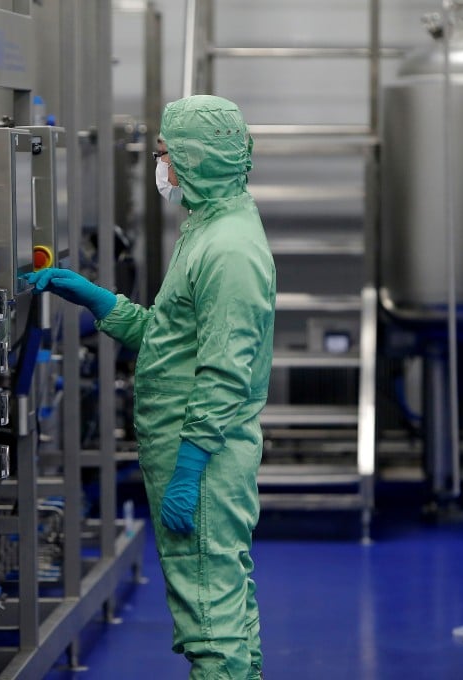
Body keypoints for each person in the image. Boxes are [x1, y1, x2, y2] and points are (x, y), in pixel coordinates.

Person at [26, 95, 275, 679]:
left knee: (209, 619)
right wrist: (100, 300)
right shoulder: (209, 227)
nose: (161, 167)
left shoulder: (229, 249)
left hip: (204, 459)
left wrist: (189, 469)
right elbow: (173, 336)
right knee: (222, 602)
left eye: (164, 154)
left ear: (194, 158)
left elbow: (225, 370)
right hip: (191, 450)